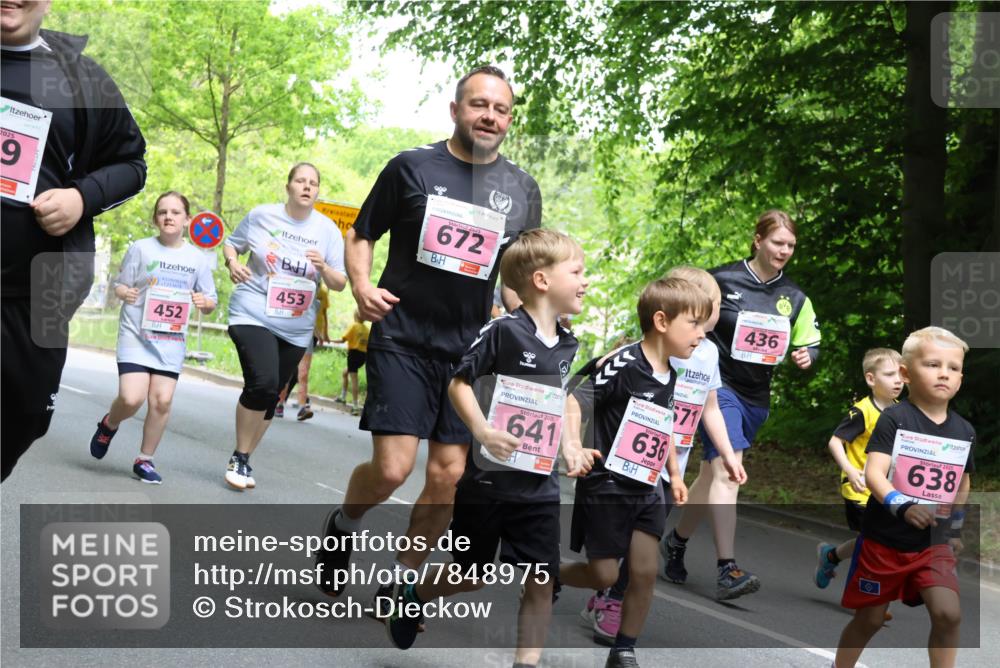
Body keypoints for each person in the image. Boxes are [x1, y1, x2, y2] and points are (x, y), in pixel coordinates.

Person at [316, 66, 542, 607]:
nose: (489, 115)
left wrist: (529, 329)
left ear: (509, 119)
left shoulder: (521, 189)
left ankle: (403, 583)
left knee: (448, 474)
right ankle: (344, 524)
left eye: (501, 109)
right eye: (479, 104)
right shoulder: (412, 167)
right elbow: (362, 232)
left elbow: (517, 276)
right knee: (393, 470)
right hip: (403, 336)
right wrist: (363, 286)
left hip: (470, 353)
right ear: (456, 110)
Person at [385, 230, 591, 668]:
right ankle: (415, 592)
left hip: (538, 485)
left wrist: (571, 446)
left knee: (542, 576)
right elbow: (459, 383)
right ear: (541, 280)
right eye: (576, 271)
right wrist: (482, 432)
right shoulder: (502, 332)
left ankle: (525, 663)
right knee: (470, 575)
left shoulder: (569, 344)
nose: (585, 281)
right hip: (488, 483)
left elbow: (560, 404)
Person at [1, 0, 147, 482]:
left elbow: (131, 163)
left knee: (22, 419)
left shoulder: (77, 80)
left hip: (35, 296)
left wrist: (82, 198)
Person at [661, 209, 821, 600]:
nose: (784, 250)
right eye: (777, 243)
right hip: (717, 387)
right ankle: (726, 568)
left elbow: (810, 342)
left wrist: (808, 357)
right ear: (758, 240)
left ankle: (676, 542)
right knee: (730, 472)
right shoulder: (722, 280)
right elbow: (687, 313)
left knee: (709, 476)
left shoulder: (796, 297)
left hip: (757, 395)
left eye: (791, 245)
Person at [583, 266, 747, 645]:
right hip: (629, 462)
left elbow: (709, 408)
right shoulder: (655, 351)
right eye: (711, 305)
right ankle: (607, 590)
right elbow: (598, 392)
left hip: (672, 462)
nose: (715, 312)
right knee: (620, 541)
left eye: (717, 305)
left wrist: (726, 454)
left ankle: (613, 598)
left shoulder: (707, 355)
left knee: (643, 542)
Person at [560, 277, 707, 668]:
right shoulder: (625, 364)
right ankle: (552, 576)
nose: (701, 334)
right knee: (605, 574)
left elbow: (664, 426)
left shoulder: (671, 374)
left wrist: (674, 474)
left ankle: (624, 648)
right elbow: (575, 400)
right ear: (662, 321)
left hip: (647, 486)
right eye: (693, 324)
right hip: (608, 484)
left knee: (645, 571)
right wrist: (573, 446)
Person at [835, 327, 974, 668]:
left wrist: (954, 529)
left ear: (960, 377)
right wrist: (903, 506)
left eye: (953, 368)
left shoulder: (964, 430)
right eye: (932, 364)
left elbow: (962, 484)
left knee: (948, 614)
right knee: (869, 620)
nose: (944, 373)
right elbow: (873, 474)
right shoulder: (894, 419)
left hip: (932, 543)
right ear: (906, 374)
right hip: (884, 542)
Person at [221, 162, 346, 489]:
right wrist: (233, 262)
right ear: (288, 186)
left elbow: (339, 282)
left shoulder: (328, 231)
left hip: (295, 324)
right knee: (262, 383)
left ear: (318, 191)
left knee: (272, 389)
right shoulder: (262, 215)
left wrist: (323, 267)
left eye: (313, 183)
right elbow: (231, 243)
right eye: (301, 181)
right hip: (253, 310)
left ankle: (244, 459)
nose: (307, 187)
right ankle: (239, 456)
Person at [88, 192, 217, 483]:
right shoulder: (141, 248)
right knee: (131, 398)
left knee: (161, 401)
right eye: (162, 212)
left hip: (171, 339)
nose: (168, 217)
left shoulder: (198, 258)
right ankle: (110, 424)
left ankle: (144, 460)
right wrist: (125, 292)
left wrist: (204, 302)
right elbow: (120, 285)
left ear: (187, 220)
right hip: (137, 333)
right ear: (155, 219)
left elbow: (210, 301)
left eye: (175, 212)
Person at [814, 348, 902, 589]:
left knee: (870, 540)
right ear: (871, 379)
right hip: (860, 489)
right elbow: (835, 441)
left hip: (884, 490)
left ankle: (830, 556)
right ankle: (865, 596)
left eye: (901, 374)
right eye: (890, 374)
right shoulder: (862, 411)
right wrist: (850, 471)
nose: (898, 380)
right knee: (876, 542)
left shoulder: (901, 412)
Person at [276, 282, 330, 421]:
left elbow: (316, 316)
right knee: (287, 371)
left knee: (303, 373)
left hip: (307, 336)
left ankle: (302, 408)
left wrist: (320, 332)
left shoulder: (319, 296)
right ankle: (279, 404)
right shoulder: (295, 286)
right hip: (290, 333)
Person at [334, 309, 369, 415]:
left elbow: (343, 339)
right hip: (363, 356)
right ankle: (343, 397)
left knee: (354, 379)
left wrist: (329, 340)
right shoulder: (367, 329)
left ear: (355, 316)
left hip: (353, 354)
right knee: (345, 372)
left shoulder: (354, 326)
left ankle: (355, 406)